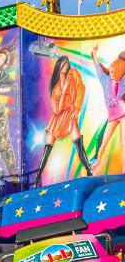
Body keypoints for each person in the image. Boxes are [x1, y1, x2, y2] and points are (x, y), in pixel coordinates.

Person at [37, 57, 92, 186]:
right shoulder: (55, 86)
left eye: (67, 63)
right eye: (63, 64)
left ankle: (89, 170)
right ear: (59, 66)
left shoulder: (74, 74)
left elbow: (81, 90)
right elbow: (57, 110)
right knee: (48, 147)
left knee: (78, 142)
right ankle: (37, 176)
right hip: (58, 118)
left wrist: (77, 108)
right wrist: (65, 90)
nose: (66, 66)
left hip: (70, 113)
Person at [90, 46, 125, 170]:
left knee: (123, 142)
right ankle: (98, 160)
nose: (112, 75)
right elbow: (98, 67)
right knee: (104, 140)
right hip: (113, 115)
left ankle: (124, 168)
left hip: (123, 113)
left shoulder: (123, 81)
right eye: (111, 72)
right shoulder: (105, 80)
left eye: (115, 72)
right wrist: (94, 53)